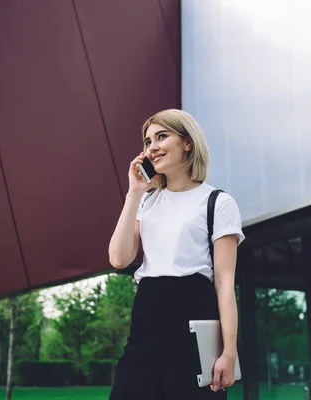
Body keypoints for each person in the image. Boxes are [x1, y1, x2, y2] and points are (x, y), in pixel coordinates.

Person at [108, 109, 245, 400]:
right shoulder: (147, 201)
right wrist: (134, 193)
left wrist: (229, 351)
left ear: (187, 142)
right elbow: (119, 258)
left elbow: (224, 284)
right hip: (147, 313)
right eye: (147, 141)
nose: (152, 147)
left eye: (161, 136)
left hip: (193, 318)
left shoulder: (218, 202)